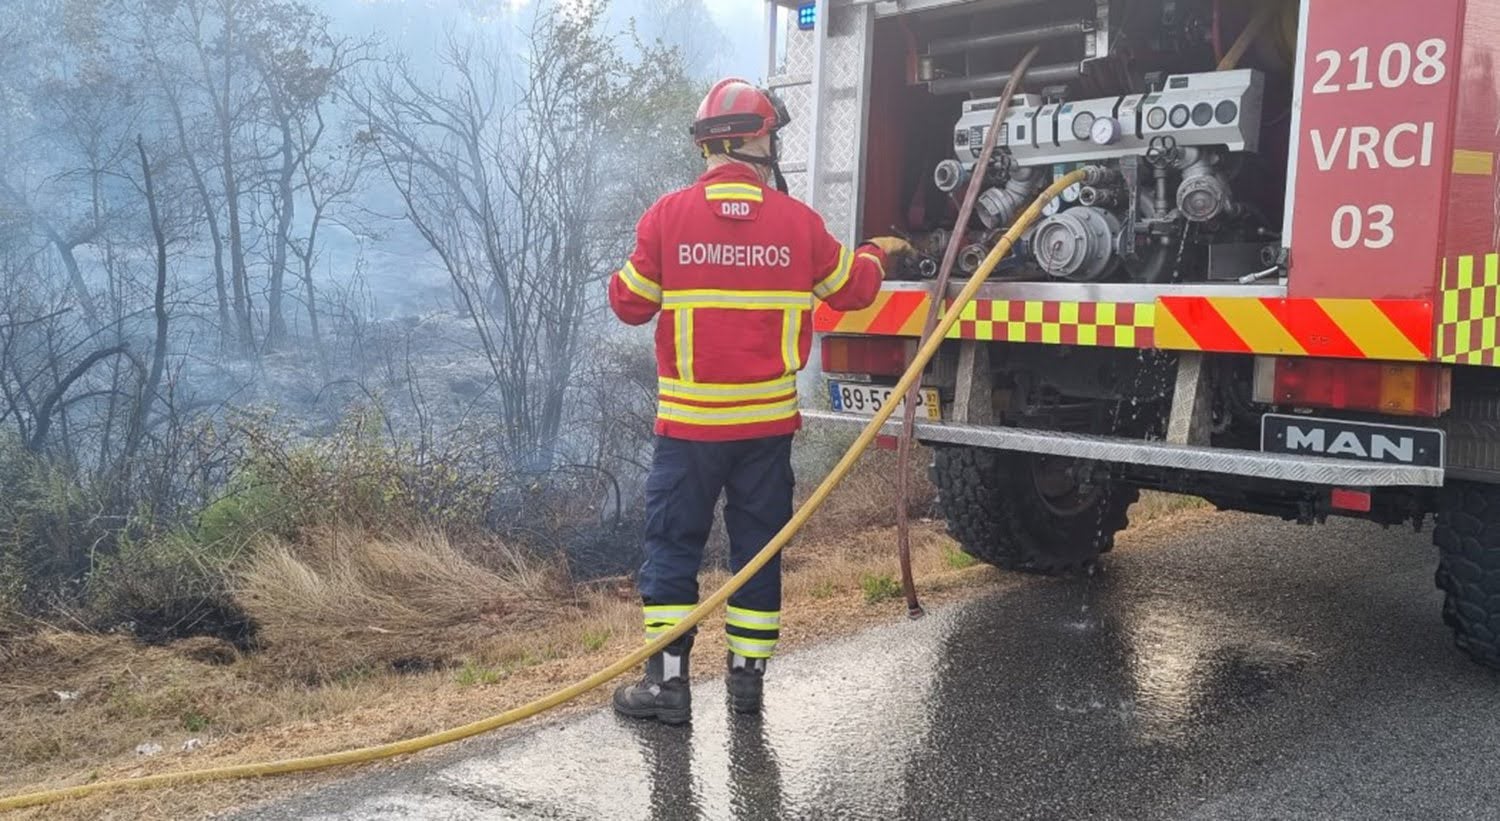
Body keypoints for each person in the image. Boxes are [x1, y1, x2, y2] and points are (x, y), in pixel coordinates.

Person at [607, 77, 913, 724]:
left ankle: (667, 688)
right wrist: (878, 254)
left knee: (673, 546)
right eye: (770, 135)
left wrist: (645, 260)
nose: (773, 145)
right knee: (758, 547)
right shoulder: (797, 224)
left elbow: (628, 304)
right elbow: (853, 290)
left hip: (688, 432)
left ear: (708, 145)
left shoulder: (666, 217)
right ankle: (747, 687)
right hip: (766, 433)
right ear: (751, 140)